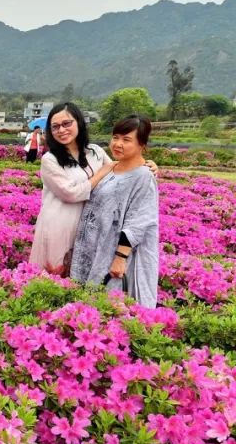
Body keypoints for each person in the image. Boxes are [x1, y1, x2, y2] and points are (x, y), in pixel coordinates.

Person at [71, 115, 160, 308]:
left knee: (111, 309)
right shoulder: (111, 167)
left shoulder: (144, 176)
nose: (118, 144)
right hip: (93, 248)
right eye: (115, 137)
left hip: (115, 255)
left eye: (126, 140)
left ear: (142, 145)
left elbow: (138, 222)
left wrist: (120, 259)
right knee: (88, 309)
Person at [29, 103, 115, 276]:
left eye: (67, 123)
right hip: (59, 225)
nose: (61, 130)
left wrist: (144, 166)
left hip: (89, 225)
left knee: (81, 279)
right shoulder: (50, 159)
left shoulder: (95, 151)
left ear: (79, 123)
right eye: (55, 127)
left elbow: (118, 173)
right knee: (55, 276)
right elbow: (70, 193)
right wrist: (101, 173)